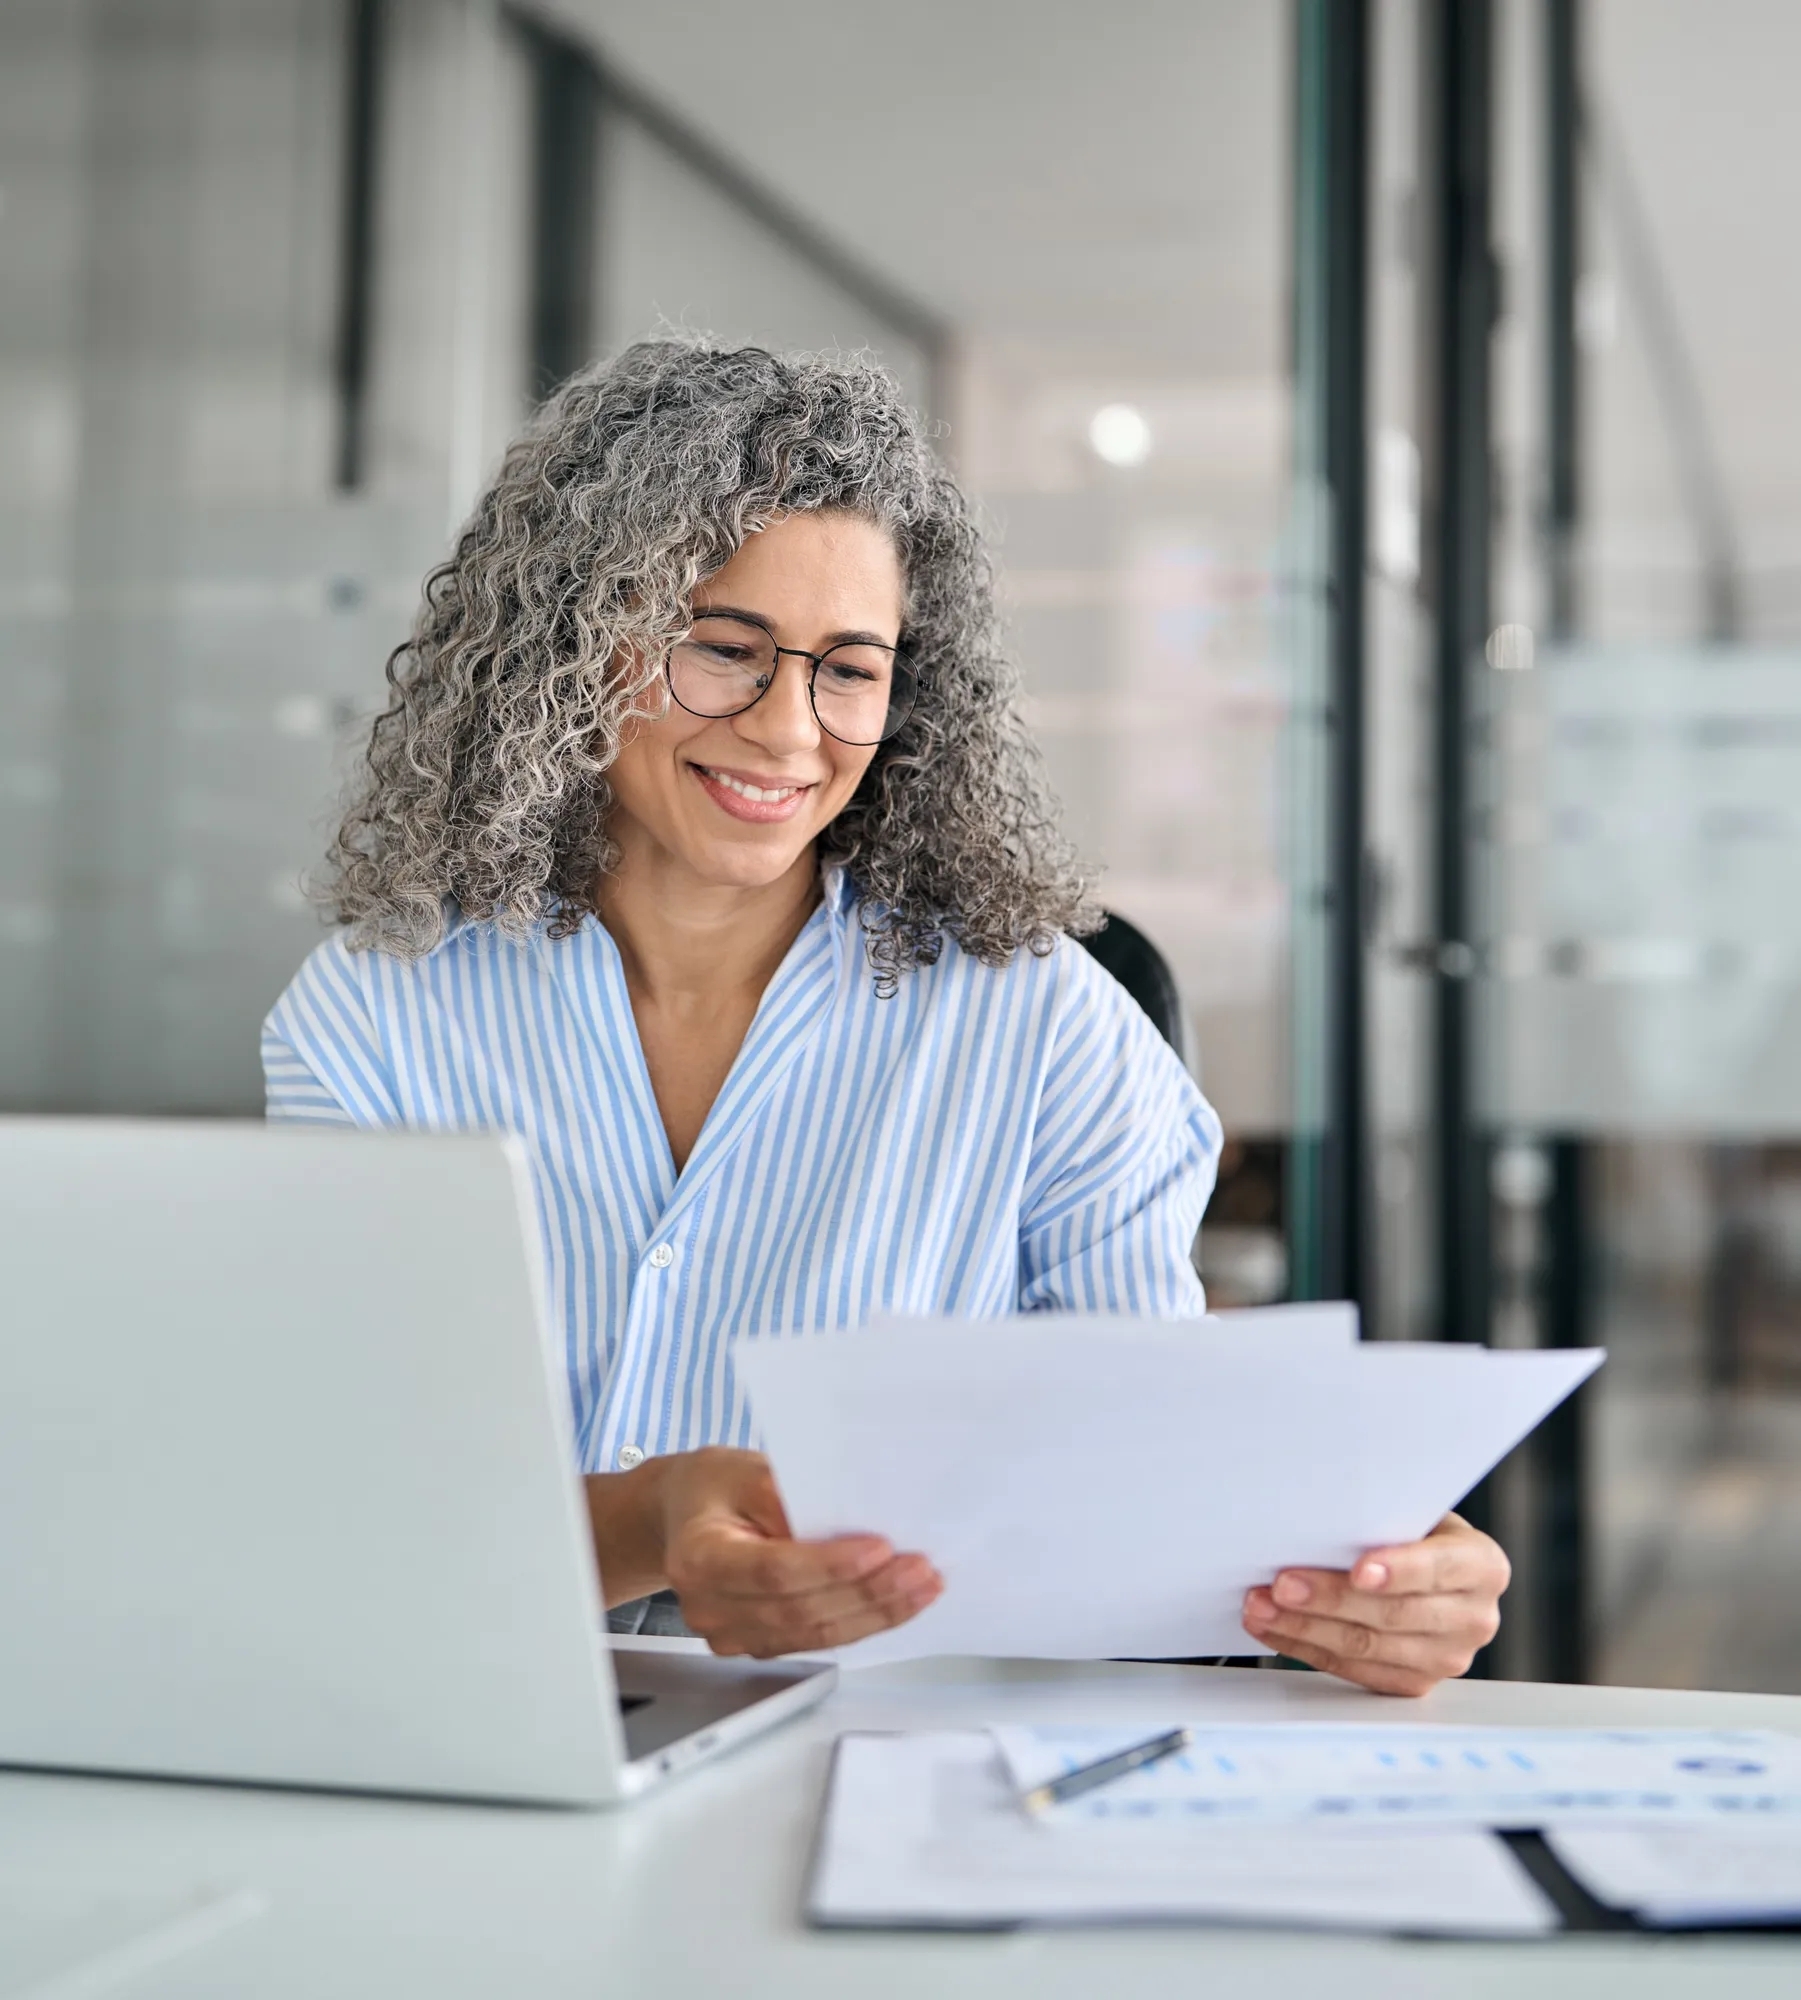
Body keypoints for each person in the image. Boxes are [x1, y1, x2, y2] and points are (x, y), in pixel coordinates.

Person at [263, 339, 1507, 1695]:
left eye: (849, 670)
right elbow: (341, 1504)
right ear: (572, 645)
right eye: (722, 648)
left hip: (902, 1750)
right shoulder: (374, 1014)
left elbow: (1143, 1485)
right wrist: (645, 1519)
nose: (790, 729)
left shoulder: (1046, 1032)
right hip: (469, 1711)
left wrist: (1360, 1580)